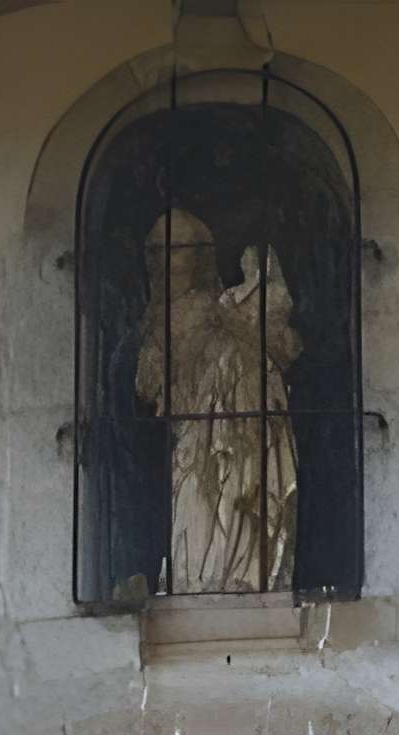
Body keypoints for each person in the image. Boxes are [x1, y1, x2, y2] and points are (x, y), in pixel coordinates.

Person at [136, 209, 300, 593]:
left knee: (231, 500)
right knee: (193, 510)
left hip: (234, 424)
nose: (165, 262)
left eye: (175, 250)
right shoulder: (152, 321)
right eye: (156, 251)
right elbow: (146, 388)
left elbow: (281, 347)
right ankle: (200, 581)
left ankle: (235, 574)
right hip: (191, 436)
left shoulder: (223, 309)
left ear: (199, 258)